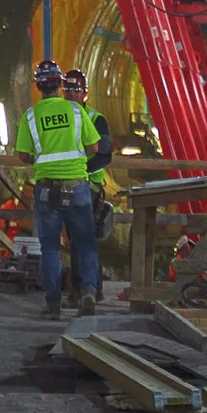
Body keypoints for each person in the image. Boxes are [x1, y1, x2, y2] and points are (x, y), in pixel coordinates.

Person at [20, 61, 101, 318]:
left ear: (39, 87)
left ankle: (53, 304)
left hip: (47, 190)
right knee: (86, 243)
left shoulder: (31, 116)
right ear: (59, 84)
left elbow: (23, 155)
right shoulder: (77, 112)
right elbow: (95, 148)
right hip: (77, 186)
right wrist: (76, 163)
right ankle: (88, 291)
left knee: (51, 248)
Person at [61, 68, 115, 300]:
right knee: (74, 239)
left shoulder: (95, 119)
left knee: (82, 238)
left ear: (85, 93)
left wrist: (82, 172)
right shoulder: (61, 117)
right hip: (64, 183)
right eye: (68, 90)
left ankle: (86, 289)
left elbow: (104, 155)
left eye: (77, 90)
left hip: (88, 187)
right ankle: (85, 289)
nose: (72, 94)